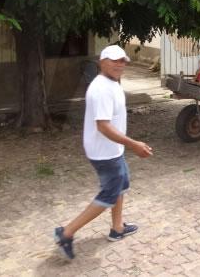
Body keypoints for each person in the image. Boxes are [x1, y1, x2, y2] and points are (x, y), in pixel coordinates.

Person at [54, 45, 153, 260]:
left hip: (112, 150)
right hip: (104, 152)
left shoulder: (112, 83)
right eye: (115, 60)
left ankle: (117, 229)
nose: (120, 64)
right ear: (102, 62)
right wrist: (133, 144)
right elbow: (103, 126)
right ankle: (66, 233)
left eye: (123, 60)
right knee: (109, 193)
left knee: (122, 184)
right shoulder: (101, 89)